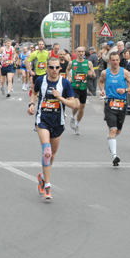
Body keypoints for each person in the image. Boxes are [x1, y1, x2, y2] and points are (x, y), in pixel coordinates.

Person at [28, 57, 77, 200]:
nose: (54, 70)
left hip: (58, 121)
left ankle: (42, 177)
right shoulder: (40, 81)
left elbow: (73, 104)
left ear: (60, 69)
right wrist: (31, 105)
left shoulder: (65, 83)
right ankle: (48, 187)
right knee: (47, 151)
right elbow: (34, 92)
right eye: (51, 67)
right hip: (42, 120)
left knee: (52, 154)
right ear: (47, 68)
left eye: (57, 68)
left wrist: (60, 98)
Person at [98, 52, 130, 166]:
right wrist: (102, 90)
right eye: (113, 60)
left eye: (117, 60)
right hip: (109, 104)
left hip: (121, 105)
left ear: (119, 61)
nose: (115, 62)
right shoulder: (105, 73)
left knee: (117, 131)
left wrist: (125, 90)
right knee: (113, 130)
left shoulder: (124, 72)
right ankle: (114, 155)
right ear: (109, 61)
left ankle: (111, 140)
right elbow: (100, 82)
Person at [67, 46, 95, 135]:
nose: (81, 53)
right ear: (76, 52)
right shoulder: (72, 63)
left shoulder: (88, 63)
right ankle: (72, 117)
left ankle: (77, 124)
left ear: (84, 52)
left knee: (82, 109)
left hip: (83, 88)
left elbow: (93, 74)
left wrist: (91, 74)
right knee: (76, 105)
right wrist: (69, 77)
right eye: (79, 51)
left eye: (82, 51)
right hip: (75, 87)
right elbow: (67, 70)